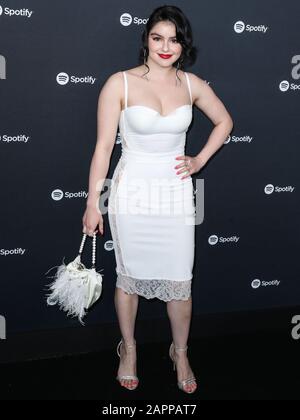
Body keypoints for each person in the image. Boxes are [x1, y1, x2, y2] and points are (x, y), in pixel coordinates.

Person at [82, 5, 233, 394]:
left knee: (181, 280)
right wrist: (91, 203)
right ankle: (128, 350)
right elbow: (102, 149)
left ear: (183, 44)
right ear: (145, 39)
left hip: (176, 194)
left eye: (175, 39)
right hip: (131, 192)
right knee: (128, 279)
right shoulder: (121, 83)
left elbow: (225, 122)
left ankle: (179, 352)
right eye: (157, 37)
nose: (166, 47)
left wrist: (199, 159)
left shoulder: (191, 84)